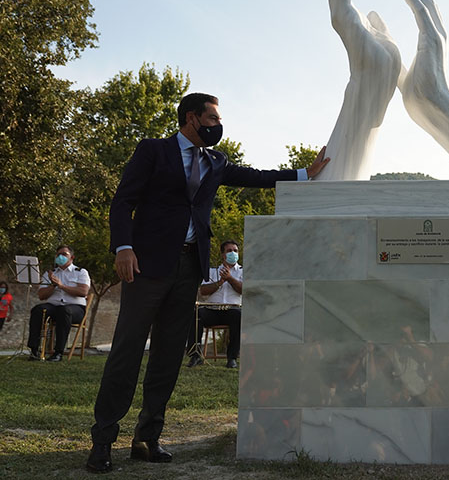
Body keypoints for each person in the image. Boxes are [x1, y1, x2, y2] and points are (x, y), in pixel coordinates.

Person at [86, 93, 330, 473]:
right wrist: (123, 246)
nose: (217, 125)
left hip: (189, 268)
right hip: (146, 266)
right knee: (127, 351)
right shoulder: (153, 151)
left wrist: (303, 174)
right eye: (212, 118)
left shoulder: (216, 162)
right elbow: (122, 202)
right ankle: (102, 440)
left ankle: (147, 438)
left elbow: (255, 177)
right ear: (191, 118)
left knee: (168, 355)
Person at [186, 240, 243, 369]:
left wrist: (230, 279)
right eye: (229, 251)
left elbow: (243, 290)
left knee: (239, 316)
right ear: (223, 254)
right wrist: (219, 283)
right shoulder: (212, 272)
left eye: (235, 251)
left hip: (232, 310)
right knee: (196, 314)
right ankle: (195, 355)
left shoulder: (243, 272)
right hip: (212, 309)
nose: (233, 253)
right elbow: (202, 291)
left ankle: (232, 358)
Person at [27, 245, 89, 362]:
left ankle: (58, 352)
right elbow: (41, 295)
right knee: (37, 310)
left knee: (64, 311)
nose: (61, 257)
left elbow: (83, 291)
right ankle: (34, 350)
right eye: (58, 254)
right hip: (53, 306)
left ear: (72, 257)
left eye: (64, 254)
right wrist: (53, 285)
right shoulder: (50, 273)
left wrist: (61, 286)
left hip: (75, 309)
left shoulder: (80, 272)